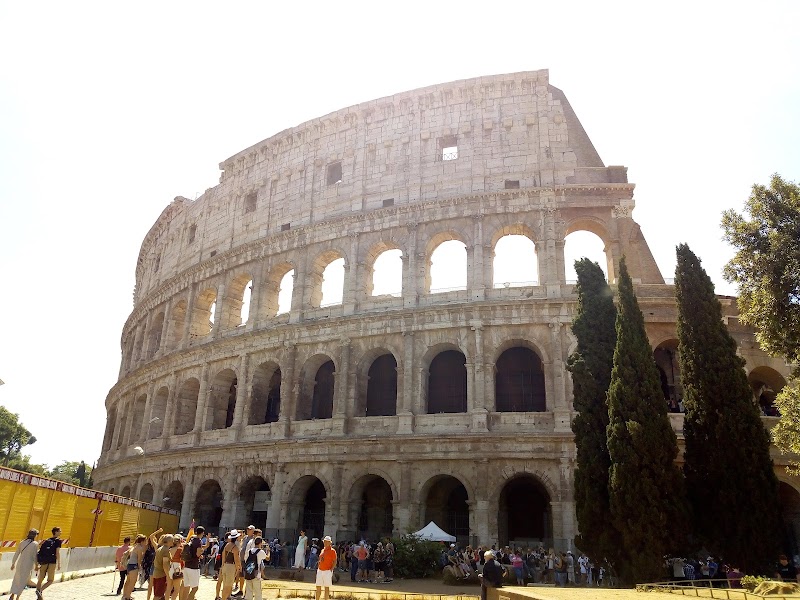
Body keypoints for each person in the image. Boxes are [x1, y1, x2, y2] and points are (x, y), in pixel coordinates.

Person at [10, 529, 39, 600]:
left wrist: (13, 563)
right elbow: (35, 556)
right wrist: (36, 565)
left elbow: (17, 553)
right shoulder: (35, 544)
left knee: (16, 578)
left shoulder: (22, 542)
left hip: (20, 563)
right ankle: (18, 597)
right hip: (28, 564)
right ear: (34, 535)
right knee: (23, 580)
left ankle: (12, 595)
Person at [35, 526, 63, 599]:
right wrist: (59, 563)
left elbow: (39, 549)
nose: (61, 532)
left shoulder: (47, 540)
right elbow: (57, 552)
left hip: (44, 561)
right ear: (56, 532)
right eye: (60, 531)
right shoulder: (58, 541)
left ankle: (38, 595)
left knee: (40, 579)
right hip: (52, 562)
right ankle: (40, 591)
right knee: (50, 580)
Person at [182, 525, 207, 600]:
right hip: (193, 566)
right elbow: (198, 553)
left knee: (186, 587)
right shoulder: (199, 541)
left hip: (186, 565)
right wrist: (201, 552)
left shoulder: (191, 538)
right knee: (195, 588)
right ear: (202, 533)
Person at [122, 534, 148, 600]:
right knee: (132, 582)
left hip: (129, 565)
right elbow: (139, 559)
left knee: (128, 581)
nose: (146, 542)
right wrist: (140, 568)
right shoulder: (140, 548)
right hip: (134, 565)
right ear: (142, 541)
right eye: (145, 541)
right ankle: (127, 597)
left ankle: (125, 595)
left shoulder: (134, 546)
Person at [219, 529, 242, 600]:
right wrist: (239, 567)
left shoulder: (227, 545)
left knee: (225, 585)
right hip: (231, 567)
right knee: (228, 586)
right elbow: (236, 559)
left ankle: (224, 598)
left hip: (225, 566)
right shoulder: (235, 548)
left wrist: (223, 566)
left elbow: (223, 556)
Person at [152, 534, 174, 600]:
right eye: (172, 540)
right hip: (161, 575)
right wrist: (168, 576)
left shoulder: (160, 548)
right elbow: (165, 565)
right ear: (169, 541)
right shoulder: (166, 550)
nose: (173, 541)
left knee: (160, 595)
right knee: (158, 595)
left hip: (157, 573)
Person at [315, 536, 336, 600]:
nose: (325, 543)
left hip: (327, 570)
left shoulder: (332, 551)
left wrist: (331, 569)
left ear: (330, 543)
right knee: (318, 586)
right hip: (320, 569)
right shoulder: (322, 550)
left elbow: (335, 561)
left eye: (327, 542)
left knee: (326, 587)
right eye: (324, 541)